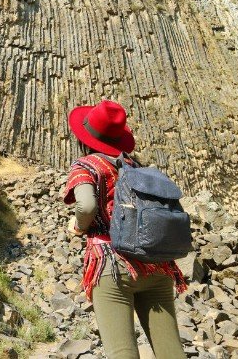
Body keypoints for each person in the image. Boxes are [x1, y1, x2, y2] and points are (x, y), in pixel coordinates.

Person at [62, 100, 187, 359]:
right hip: (156, 263)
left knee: (122, 353)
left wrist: (78, 226)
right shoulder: (138, 167)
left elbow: (86, 206)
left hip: (112, 265)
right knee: (171, 352)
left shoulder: (86, 165)